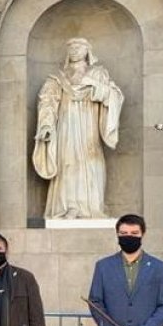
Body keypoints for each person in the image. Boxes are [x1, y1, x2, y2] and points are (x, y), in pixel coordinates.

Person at [31, 37, 124, 219]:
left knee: (90, 161)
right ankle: (66, 207)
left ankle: (90, 208)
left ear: (87, 50)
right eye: (71, 47)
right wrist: (46, 125)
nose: (74, 50)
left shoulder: (98, 73)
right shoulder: (58, 78)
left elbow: (114, 95)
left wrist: (95, 87)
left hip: (88, 124)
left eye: (79, 47)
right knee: (67, 162)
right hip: (65, 126)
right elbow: (47, 101)